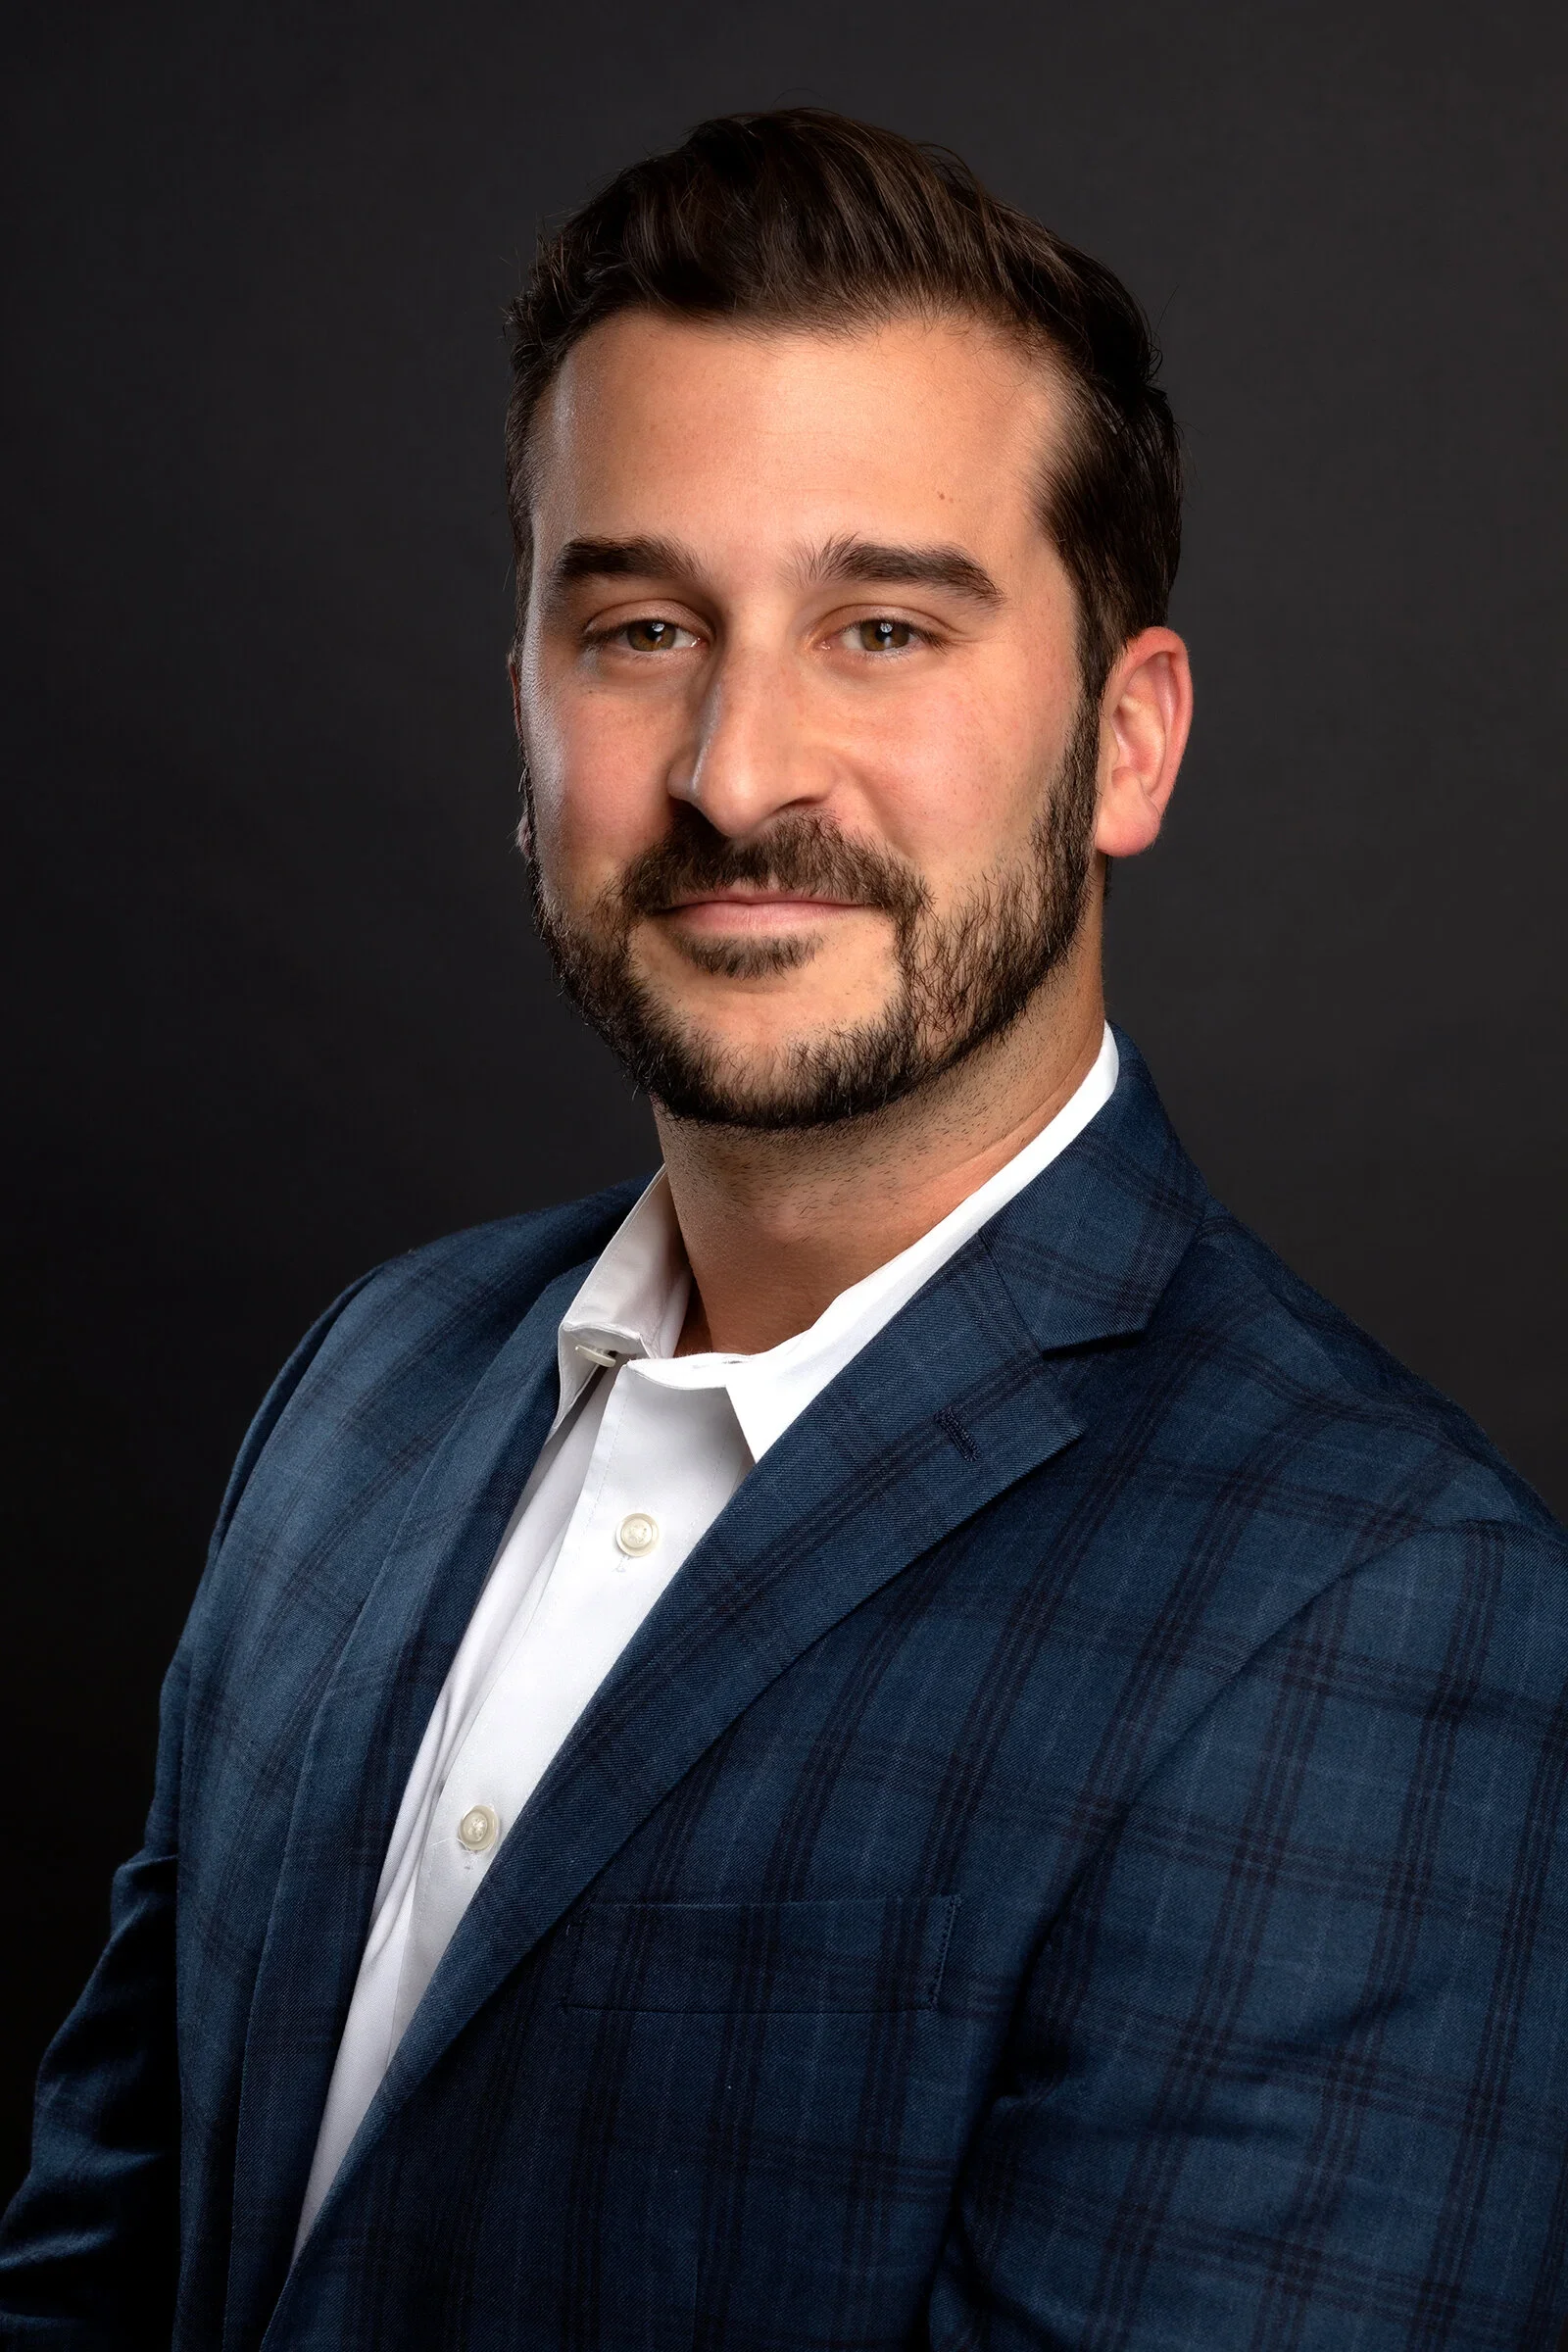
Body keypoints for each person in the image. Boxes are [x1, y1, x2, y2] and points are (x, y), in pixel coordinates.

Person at [2, 107, 1564, 2352]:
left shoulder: (1373, 1613)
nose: (739, 771)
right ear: (525, 700)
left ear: (1126, 742)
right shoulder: (367, 1385)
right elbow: (97, 2271)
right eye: (639, 626)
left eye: (881, 628)